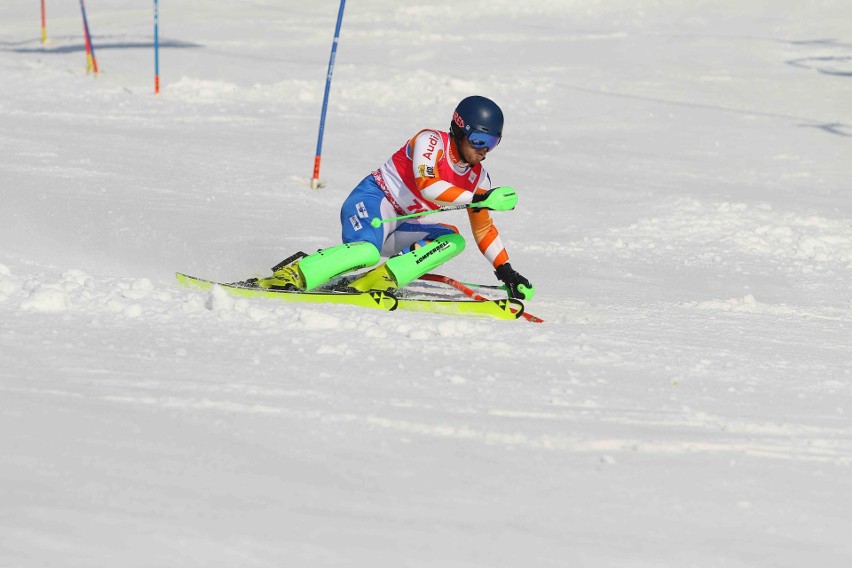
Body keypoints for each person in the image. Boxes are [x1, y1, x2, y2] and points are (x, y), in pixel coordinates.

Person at [259, 95, 534, 300]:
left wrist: (505, 271)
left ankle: (380, 278)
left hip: (402, 224)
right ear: (459, 130)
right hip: (372, 202)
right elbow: (429, 186)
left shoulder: (479, 179)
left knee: (453, 240)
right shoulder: (431, 142)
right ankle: (293, 274)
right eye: (478, 140)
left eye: (492, 143)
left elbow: (483, 228)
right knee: (366, 252)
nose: (483, 151)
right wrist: (480, 198)